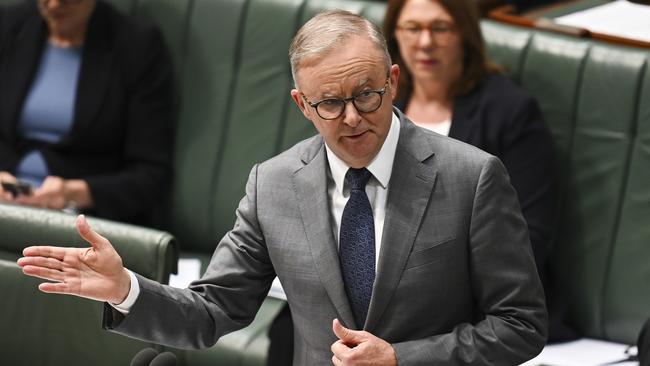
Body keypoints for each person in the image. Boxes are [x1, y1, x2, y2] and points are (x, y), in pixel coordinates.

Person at [18, 10, 547, 365]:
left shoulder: (471, 176)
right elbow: (213, 311)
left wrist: (401, 359)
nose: (354, 118)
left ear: (394, 81)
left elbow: (521, 324)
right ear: (302, 105)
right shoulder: (272, 185)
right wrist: (124, 289)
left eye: (367, 95)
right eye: (330, 104)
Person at [384, 0, 579, 343]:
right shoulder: (380, 106)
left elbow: (529, 237)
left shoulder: (508, 110)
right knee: (296, 325)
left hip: (477, 303)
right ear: (394, 36)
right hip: (385, 289)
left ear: (465, 33)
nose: (425, 42)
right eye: (412, 28)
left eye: (440, 28)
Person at [0, 0, 174, 225]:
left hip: (79, 218)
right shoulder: (8, 24)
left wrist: (73, 193)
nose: (53, 5)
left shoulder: (137, 45)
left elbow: (152, 176)